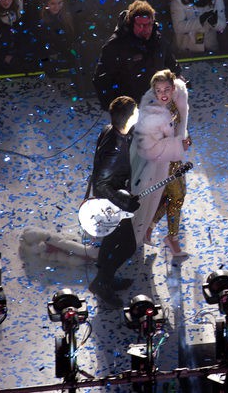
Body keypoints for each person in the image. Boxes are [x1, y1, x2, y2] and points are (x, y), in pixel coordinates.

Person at [87, 95, 141, 307]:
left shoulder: (112, 130)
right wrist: (124, 202)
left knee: (110, 240)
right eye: (136, 112)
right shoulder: (114, 150)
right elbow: (102, 184)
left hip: (113, 198)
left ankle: (106, 279)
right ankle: (101, 283)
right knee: (127, 245)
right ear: (128, 119)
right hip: (112, 203)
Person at [130, 69, 191, 257]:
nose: (163, 94)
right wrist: (177, 145)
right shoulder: (152, 114)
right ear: (154, 92)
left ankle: (150, 226)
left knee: (169, 196)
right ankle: (171, 238)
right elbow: (150, 145)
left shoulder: (177, 101)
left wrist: (185, 139)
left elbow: (180, 127)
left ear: (173, 89)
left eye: (166, 89)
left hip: (174, 157)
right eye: (159, 90)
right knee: (178, 196)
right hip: (162, 161)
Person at [93, 0, 180, 109]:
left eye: (149, 24)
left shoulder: (158, 41)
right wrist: (113, 106)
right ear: (131, 24)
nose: (146, 29)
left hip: (156, 104)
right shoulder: (115, 45)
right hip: (129, 107)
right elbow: (101, 79)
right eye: (141, 25)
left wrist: (179, 83)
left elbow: (172, 65)